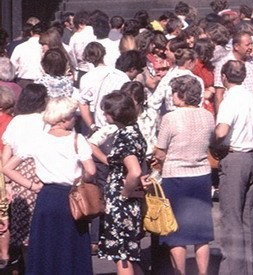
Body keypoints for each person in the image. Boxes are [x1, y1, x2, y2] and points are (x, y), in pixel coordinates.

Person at [2, 96, 96, 274]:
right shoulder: (77, 140)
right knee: (71, 248)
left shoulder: (37, 140)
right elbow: (90, 171)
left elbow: (7, 168)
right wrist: (82, 179)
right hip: (71, 197)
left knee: (47, 248)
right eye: (72, 115)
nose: (75, 118)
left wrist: (32, 186)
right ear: (63, 118)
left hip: (47, 197)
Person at [154, 75, 215, 275]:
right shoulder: (207, 116)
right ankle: (203, 272)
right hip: (201, 175)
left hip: (175, 177)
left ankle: (180, 272)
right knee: (201, 231)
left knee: (176, 232)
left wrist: (159, 160)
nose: (171, 96)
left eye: (173, 92)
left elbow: (160, 150)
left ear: (181, 94)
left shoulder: (170, 118)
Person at [214, 60, 253, 275]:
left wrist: (215, 143)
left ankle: (235, 270)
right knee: (248, 216)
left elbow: (221, 131)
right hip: (251, 157)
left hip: (234, 155)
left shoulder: (230, 100)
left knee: (231, 217)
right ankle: (247, 268)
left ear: (225, 78)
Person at [93, 91, 147, 274]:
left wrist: (124, 194)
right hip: (131, 203)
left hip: (121, 203)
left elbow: (134, 171)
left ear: (114, 115)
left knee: (121, 256)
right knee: (130, 254)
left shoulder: (125, 136)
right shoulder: (134, 132)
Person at [1, 84, 47, 261]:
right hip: (42, 172)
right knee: (42, 228)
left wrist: (8, 183)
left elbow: (7, 153)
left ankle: (29, 266)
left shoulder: (17, 121)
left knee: (23, 227)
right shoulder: (46, 120)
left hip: (19, 174)